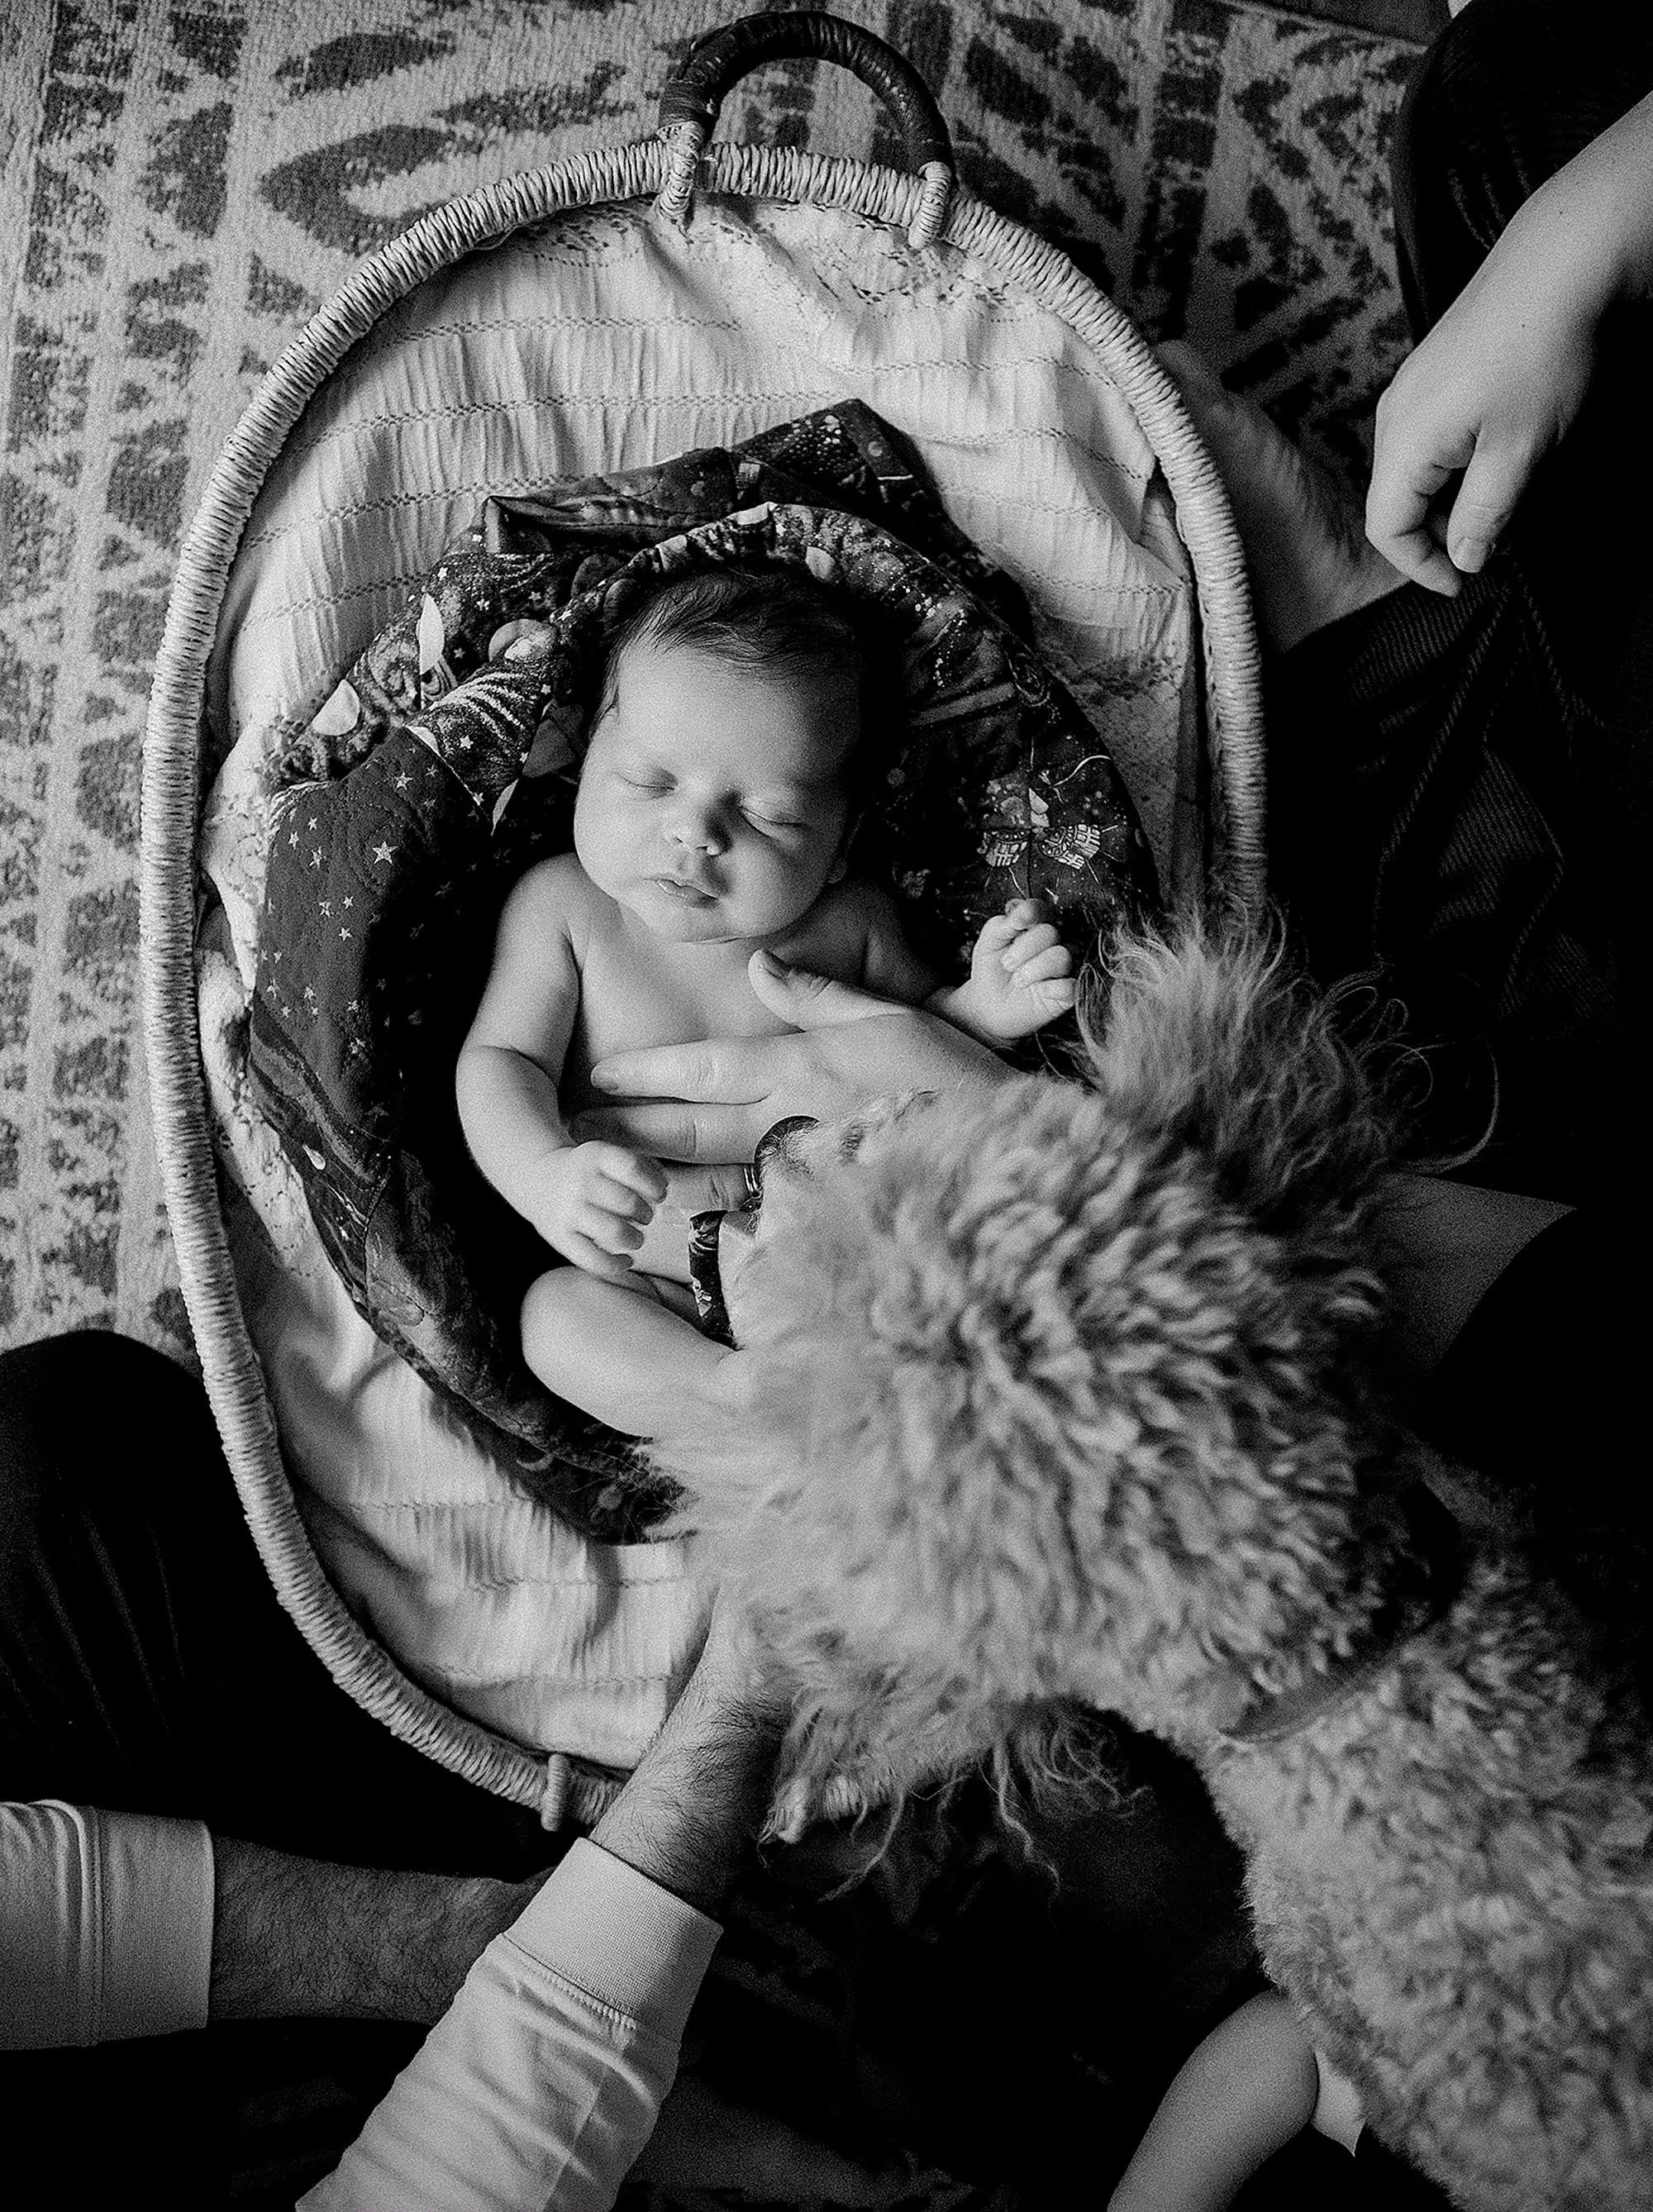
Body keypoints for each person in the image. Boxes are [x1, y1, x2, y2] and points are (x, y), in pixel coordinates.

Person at [456, 566, 1076, 1438]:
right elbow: (502, 1062)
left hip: (852, 1261)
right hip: (658, 1280)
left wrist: (982, 1011)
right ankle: (731, 1394)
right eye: (649, 781)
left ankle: (886, 1400)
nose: (695, 832)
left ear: (839, 844)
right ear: (582, 754)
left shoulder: (850, 922)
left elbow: (914, 1053)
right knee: (554, 1322)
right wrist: (539, 1174)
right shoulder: (564, 909)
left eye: (769, 816)